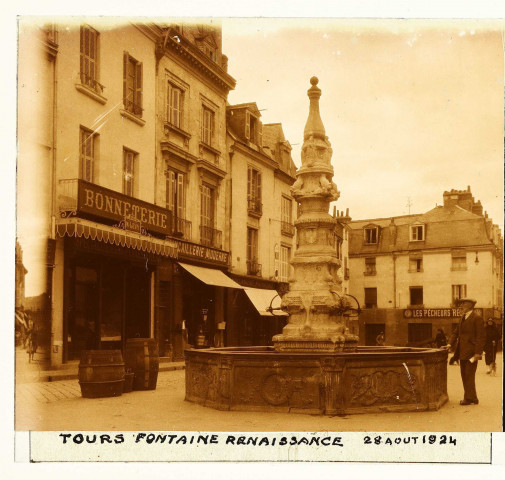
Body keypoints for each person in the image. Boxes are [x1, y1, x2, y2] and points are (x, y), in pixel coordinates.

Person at [447, 298, 486, 405]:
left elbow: (481, 337)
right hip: (462, 352)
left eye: (463, 305)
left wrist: (478, 353)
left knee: (469, 375)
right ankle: (473, 398)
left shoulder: (477, 319)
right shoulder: (462, 318)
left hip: (472, 352)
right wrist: (449, 344)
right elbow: (455, 333)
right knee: (464, 375)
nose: (461, 307)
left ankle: (468, 398)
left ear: (469, 306)